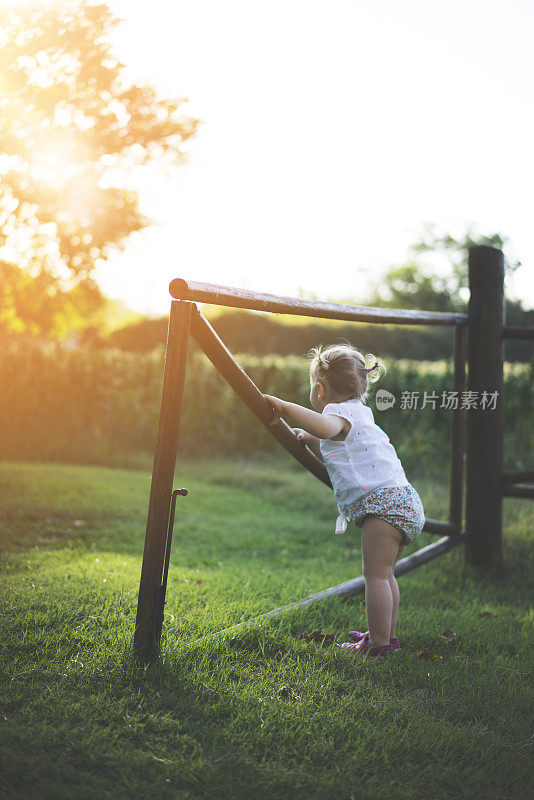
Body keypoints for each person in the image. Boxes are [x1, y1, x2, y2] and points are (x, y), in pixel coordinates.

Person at [264, 343, 425, 659]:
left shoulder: (335, 413)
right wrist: (310, 437)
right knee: (386, 575)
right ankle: (387, 638)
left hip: (383, 507)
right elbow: (339, 439)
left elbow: (327, 427)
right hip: (405, 502)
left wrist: (284, 406)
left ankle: (378, 645)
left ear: (320, 389)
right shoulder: (360, 413)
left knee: (375, 576)